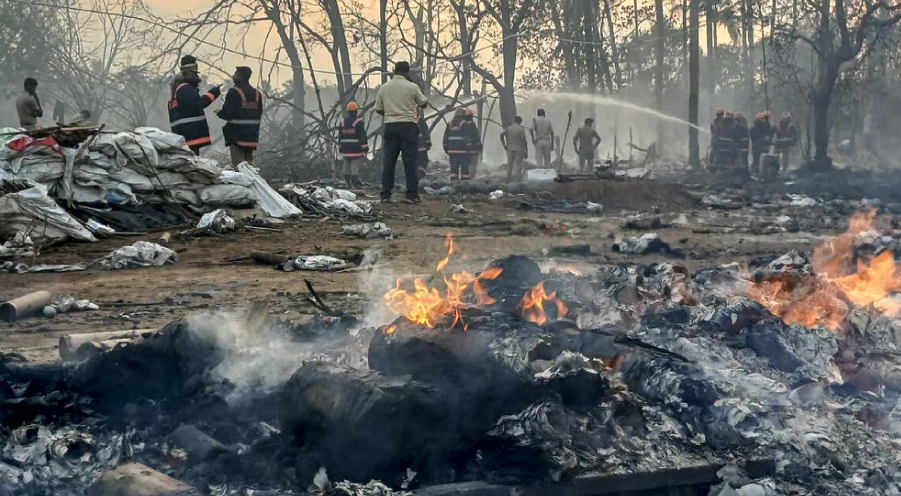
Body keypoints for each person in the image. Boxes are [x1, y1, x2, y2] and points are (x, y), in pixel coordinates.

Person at [374, 61, 428, 204]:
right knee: (410, 162)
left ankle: (385, 195)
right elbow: (423, 103)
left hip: (390, 126)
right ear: (407, 72)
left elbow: (378, 109)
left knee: (389, 161)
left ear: (394, 71)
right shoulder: (412, 87)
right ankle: (411, 195)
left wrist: (391, 112)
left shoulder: (384, 88)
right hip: (408, 126)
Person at [168, 55, 221, 154]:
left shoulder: (176, 91)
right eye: (195, 73)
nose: (197, 77)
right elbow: (197, 104)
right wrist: (213, 93)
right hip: (190, 135)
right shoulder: (185, 88)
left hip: (183, 136)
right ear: (187, 73)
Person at [217, 66, 262, 166]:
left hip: (236, 136)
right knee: (250, 166)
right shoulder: (257, 94)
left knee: (240, 167)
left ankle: (247, 181)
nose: (233, 76)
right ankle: (255, 181)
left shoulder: (234, 92)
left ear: (240, 77)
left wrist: (220, 113)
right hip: (251, 137)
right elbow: (258, 114)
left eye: (235, 74)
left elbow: (228, 113)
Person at [336, 101, 368, 187]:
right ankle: (355, 181)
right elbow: (362, 136)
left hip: (345, 149)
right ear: (355, 111)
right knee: (354, 164)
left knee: (346, 163)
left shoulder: (342, 122)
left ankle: (347, 182)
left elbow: (340, 136)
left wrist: (340, 147)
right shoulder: (359, 122)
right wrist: (365, 147)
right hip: (355, 149)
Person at [444, 108, 477, 180]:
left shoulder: (449, 124)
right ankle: (464, 186)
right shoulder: (464, 123)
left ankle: (453, 185)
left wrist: (446, 148)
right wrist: (469, 147)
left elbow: (445, 137)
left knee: (453, 170)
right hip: (463, 151)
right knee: (464, 170)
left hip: (452, 151)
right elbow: (466, 137)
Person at [500, 116, 529, 182]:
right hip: (519, 148)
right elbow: (524, 140)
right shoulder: (521, 129)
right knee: (517, 165)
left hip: (510, 148)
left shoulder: (509, 128)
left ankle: (508, 178)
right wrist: (526, 150)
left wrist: (504, 144)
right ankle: (517, 180)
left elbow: (501, 135)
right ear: (520, 122)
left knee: (509, 164)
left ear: (514, 120)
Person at [463, 108, 481, 179]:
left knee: (467, 164)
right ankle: (470, 179)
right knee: (473, 164)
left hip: (466, 150)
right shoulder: (472, 125)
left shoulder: (463, 126)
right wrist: (479, 146)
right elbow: (476, 137)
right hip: (473, 149)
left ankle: (467, 179)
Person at [416, 107, 431, 180]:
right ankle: (420, 177)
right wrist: (428, 143)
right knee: (423, 162)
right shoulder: (420, 120)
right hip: (421, 147)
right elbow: (425, 132)